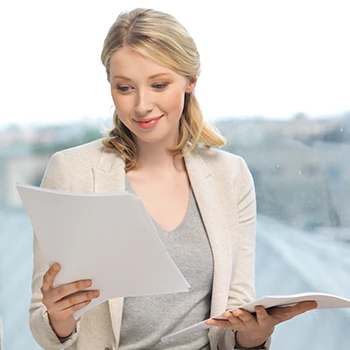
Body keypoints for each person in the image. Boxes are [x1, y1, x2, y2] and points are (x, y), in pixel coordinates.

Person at [29, 8, 317, 350]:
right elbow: (42, 317)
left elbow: (235, 313)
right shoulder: (71, 172)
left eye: (159, 85)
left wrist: (254, 336)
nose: (141, 105)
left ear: (190, 81)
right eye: (125, 88)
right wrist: (59, 319)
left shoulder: (231, 175)